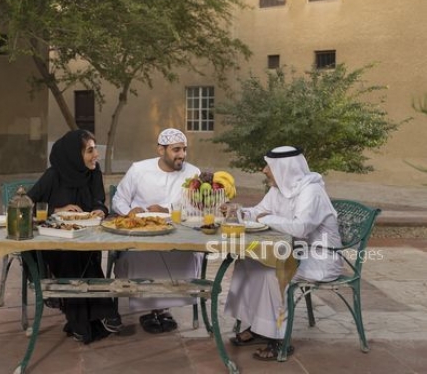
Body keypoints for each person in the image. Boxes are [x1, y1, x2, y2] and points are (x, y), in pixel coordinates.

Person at [224, 146, 343, 361]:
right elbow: (259, 211)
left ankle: (279, 339)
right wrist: (238, 211)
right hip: (293, 253)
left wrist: (266, 218)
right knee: (247, 263)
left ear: (285, 168)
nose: (264, 170)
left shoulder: (311, 191)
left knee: (270, 273)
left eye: (268, 166)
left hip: (319, 258)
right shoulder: (279, 188)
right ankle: (260, 327)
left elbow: (300, 228)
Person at [27, 129, 122, 344]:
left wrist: (99, 211)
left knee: (81, 255)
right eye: (90, 150)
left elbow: (99, 201)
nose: (96, 155)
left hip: (86, 238)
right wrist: (56, 210)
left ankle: (81, 322)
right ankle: (102, 312)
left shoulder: (93, 173)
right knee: (71, 256)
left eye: (95, 149)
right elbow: (25, 205)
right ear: (73, 155)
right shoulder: (53, 175)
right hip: (53, 241)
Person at [112, 128, 202, 334]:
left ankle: (163, 309)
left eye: (184, 149)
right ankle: (150, 309)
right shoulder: (139, 169)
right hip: (142, 235)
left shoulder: (193, 173)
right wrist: (129, 212)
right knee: (139, 256)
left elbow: (197, 208)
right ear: (161, 150)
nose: (182, 154)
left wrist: (167, 211)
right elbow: (119, 199)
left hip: (178, 236)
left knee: (186, 255)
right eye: (176, 149)